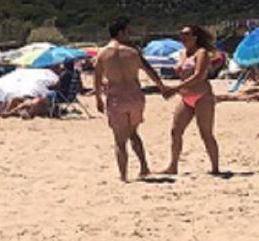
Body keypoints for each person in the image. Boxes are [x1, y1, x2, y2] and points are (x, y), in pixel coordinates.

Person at [94, 17, 164, 182]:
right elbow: (149, 70)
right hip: (135, 97)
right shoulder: (132, 52)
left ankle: (124, 175)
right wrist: (161, 87)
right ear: (120, 32)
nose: (129, 34)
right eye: (127, 31)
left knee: (120, 140)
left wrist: (98, 99)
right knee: (133, 133)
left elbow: (97, 79)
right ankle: (144, 167)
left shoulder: (102, 54)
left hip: (116, 98)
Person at [160, 25, 221, 175]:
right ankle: (173, 166)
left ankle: (215, 168)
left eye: (187, 34)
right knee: (175, 131)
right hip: (186, 98)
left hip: (202, 97)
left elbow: (199, 75)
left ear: (195, 37)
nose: (183, 37)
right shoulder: (182, 54)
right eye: (181, 34)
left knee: (205, 133)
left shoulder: (202, 53)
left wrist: (175, 88)